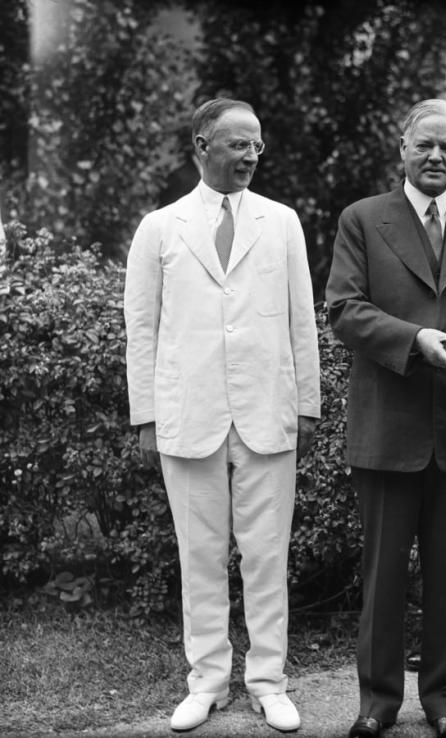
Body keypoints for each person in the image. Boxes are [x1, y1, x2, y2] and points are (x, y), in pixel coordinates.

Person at [124, 98, 321, 734]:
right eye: (238, 144)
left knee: (266, 555)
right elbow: (142, 328)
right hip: (191, 414)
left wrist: (307, 403)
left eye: (258, 146)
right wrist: (149, 414)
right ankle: (206, 681)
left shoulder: (282, 221)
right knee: (200, 556)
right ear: (202, 146)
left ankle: (269, 682)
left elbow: (300, 320)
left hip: (267, 412)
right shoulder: (160, 227)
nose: (251, 156)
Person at [325, 98, 446, 738]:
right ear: (401, 147)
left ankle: (443, 701)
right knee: (382, 574)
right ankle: (377, 703)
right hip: (388, 423)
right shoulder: (362, 219)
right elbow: (344, 310)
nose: (436, 156)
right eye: (424, 145)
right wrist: (414, 339)